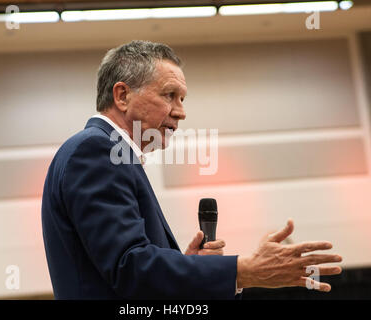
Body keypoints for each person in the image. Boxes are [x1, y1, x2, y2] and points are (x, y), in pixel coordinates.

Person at [41, 40, 342, 299]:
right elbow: (129, 268)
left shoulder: (108, 153)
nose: (181, 112)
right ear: (122, 96)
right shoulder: (96, 152)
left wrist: (193, 266)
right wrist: (244, 270)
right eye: (169, 95)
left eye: (182, 99)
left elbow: (129, 275)